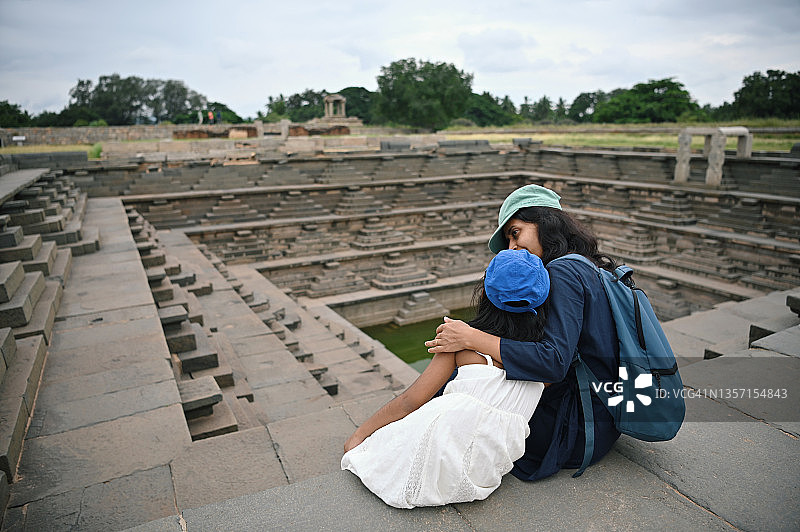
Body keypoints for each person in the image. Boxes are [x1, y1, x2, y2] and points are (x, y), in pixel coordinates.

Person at [425, 184, 621, 481]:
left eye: (515, 233)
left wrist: (470, 337)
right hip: (597, 414)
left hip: (577, 429)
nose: (512, 247)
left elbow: (553, 362)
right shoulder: (582, 264)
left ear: (545, 222)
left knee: (462, 376)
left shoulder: (563, 273)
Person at [341, 249, 551, 509]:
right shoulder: (547, 361)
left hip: (437, 452)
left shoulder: (462, 344)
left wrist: (360, 434)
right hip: (484, 472)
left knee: (375, 451)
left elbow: (411, 400)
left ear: (485, 292)